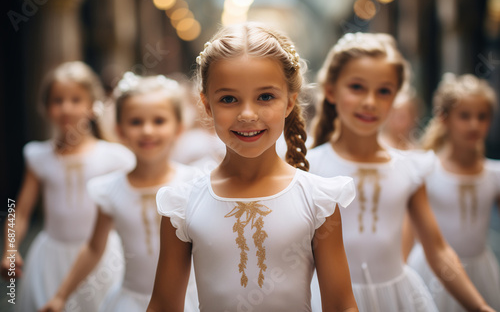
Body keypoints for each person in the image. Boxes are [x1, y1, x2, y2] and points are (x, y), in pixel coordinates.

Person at [147, 22, 359, 312]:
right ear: (207, 105)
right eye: (229, 99)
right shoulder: (182, 205)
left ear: (289, 102)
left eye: (265, 97)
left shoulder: (318, 201)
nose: (247, 114)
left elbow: (342, 306)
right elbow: (162, 306)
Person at [308, 32, 495, 312]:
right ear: (332, 90)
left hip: (398, 299)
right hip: (327, 299)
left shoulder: (410, 168)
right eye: (357, 87)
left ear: (395, 96)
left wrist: (480, 307)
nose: (370, 101)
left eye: (383, 91)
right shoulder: (310, 166)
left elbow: (438, 250)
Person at [39, 72, 200, 312]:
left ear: (178, 127)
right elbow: (94, 248)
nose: (147, 130)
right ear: (120, 130)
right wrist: (61, 295)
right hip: (130, 301)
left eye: (159, 121)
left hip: (188, 301)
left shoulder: (193, 182)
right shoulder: (110, 189)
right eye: (136, 122)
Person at [1, 61, 135, 311]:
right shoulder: (38, 156)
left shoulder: (115, 158)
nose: (66, 109)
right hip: (50, 260)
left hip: (103, 259)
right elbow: (19, 212)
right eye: (57, 100)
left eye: (76, 100)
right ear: (46, 107)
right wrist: (10, 248)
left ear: (92, 105)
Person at [407, 73, 500, 311]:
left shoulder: (494, 174)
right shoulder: (425, 169)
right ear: (444, 118)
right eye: (464, 116)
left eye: (482, 117)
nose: (474, 125)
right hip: (432, 272)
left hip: (482, 271)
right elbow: (409, 231)